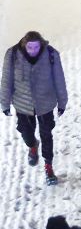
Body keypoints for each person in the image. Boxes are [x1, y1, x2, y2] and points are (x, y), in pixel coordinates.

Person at [2, 31, 68, 185]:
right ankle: (32, 146)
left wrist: (62, 102)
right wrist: (4, 103)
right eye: (30, 47)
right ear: (24, 45)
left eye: (36, 47)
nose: (33, 50)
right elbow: (6, 80)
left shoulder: (51, 55)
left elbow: (59, 79)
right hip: (22, 104)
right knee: (26, 132)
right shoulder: (12, 55)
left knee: (46, 135)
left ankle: (48, 166)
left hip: (45, 103)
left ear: (41, 45)